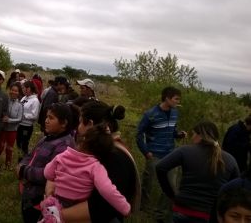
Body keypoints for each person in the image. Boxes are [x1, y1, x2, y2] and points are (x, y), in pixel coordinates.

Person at [61, 100, 140, 223]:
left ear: (90, 124)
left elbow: (101, 208)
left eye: (81, 122)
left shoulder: (115, 157)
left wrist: (55, 214)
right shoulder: (104, 150)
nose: (78, 127)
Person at [40, 123, 131, 221]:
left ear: (83, 139)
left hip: (57, 203)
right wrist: (125, 208)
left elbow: (47, 173)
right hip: (75, 208)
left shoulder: (62, 156)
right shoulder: (96, 167)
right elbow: (107, 190)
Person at [156, 120, 240, 223]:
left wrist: (170, 193)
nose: (192, 138)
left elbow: (160, 167)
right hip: (210, 215)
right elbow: (237, 188)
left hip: (183, 211)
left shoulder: (185, 151)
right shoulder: (230, 159)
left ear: (200, 135)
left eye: (193, 134)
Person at [17, 103, 77, 223]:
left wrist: (24, 171)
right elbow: (30, 155)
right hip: (29, 193)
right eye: (46, 117)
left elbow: (51, 174)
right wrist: (22, 165)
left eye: (51, 118)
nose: (46, 121)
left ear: (64, 123)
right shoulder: (47, 138)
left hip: (40, 200)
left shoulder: (64, 146)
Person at [136, 86, 186, 222]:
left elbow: (173, 131)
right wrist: (146, 152)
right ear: (167, 98)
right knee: (149, 182)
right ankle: (143, 208)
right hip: (154, 155)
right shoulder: (150, 114)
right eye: (176, 99)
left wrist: (179, 134)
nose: (178, 101)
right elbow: (139, 135)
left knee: (171, 185)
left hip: (171, 154)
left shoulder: (175, 113)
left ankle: (161, 214)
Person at [0, 82, 23, 172]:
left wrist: (9, 120)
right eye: (12, 90)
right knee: (0, 147)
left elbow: (20, 119)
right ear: (9, 90)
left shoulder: (20, 105)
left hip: (12, 130)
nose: (13, 92)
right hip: (3, 129)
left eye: (16, 91)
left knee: (9, 149)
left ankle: (7, 167)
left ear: (19, 93)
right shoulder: (5, 101)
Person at [16, 81, 41, 158]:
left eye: (27, 88)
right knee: (18, 143)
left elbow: (34, 115)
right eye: (23, 88)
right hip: (19, 124)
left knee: (24, 144)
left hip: (27, 126)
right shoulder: (24, 97)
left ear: (31, 88)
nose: (25, 90)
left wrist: (23, 115)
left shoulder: (35, 101)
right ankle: (19, 159)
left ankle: (23, 161)